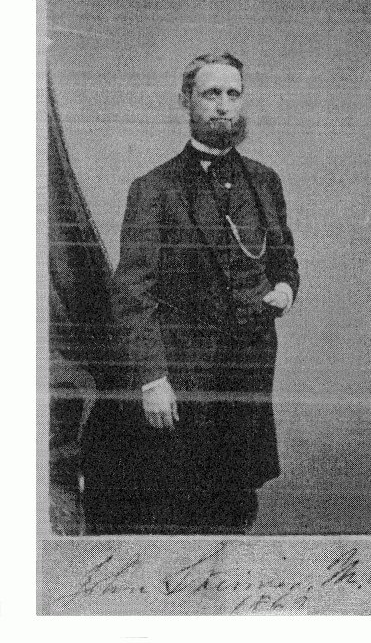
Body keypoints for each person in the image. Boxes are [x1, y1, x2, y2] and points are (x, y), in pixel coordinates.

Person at [82, 52, 299, 534]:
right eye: (210, 93)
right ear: (187, 100)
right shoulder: (154, 188)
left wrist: (285, 288)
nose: (223, 106)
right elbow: (132, 293)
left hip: (246, 377)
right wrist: (152, 379)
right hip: (183, 382)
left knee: (236, 506)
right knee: (179, 507)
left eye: (233, 94)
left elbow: (284, 261)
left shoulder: (265, 181)